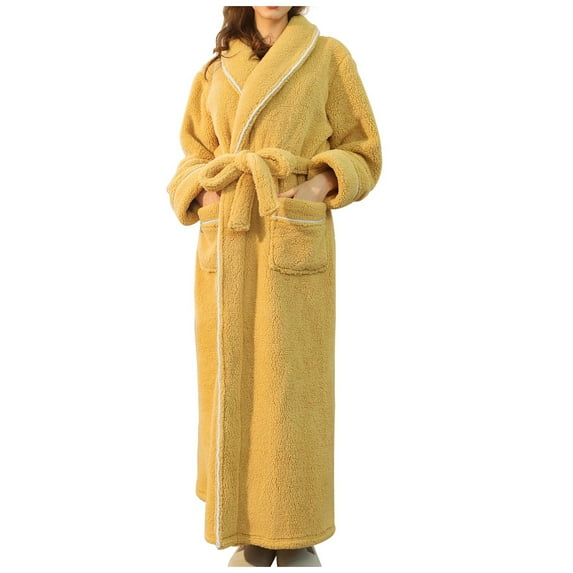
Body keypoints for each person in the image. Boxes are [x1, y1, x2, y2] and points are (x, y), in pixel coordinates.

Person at [167, 6, 382, 567]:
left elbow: (364, 150)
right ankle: (247, 529)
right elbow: (193, 155)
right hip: (228, 241)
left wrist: (316, 187)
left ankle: (296, 529)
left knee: (292, 387)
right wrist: (204, 193)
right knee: (230, 381)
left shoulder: (327, 56)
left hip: (290, 234)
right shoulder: (215, 68)